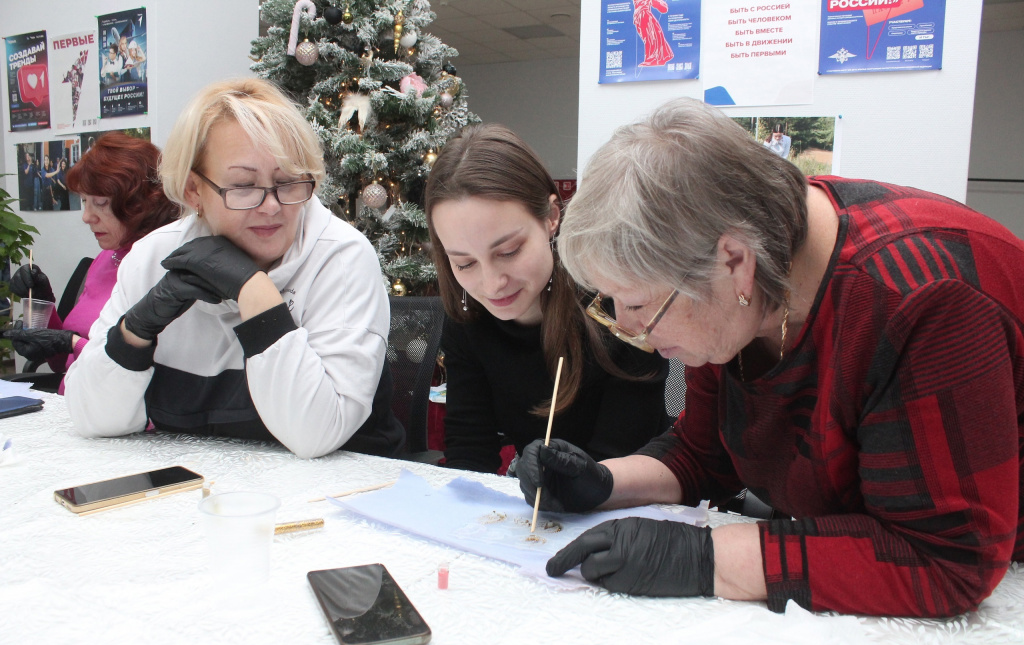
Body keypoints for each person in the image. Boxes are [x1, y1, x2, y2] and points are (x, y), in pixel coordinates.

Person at [517, 97, 1024, 618]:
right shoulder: (740, 289)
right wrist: (603, 483)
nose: (625, 327)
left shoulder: (920, 299)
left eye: (639, 303)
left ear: (735, 262)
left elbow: (946, 560)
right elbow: (704, 454)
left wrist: (708, 559)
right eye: (611, 301)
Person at [64, 78, 404, 460]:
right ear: (194, 191)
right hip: (201, 495)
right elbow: (92, 419)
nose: (272, 206)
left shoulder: (340, 257)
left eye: (288, 181)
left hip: (333, 498)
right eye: (244, 185)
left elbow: (316, 434)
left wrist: (254, 292)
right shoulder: (152, 257)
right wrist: (134, 332)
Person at [425, 123, 671, 475]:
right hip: (546, 505)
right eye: (464, 262)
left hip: (630, 494)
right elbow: (469, 449)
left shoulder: (616, 300)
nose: (492, 284)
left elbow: (620, 460)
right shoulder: (467, 314)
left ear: (552, 217)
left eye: (509, 251)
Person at [4, 133, 178, 394]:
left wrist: (70, 342)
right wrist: (44, 305)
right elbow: (64, 363)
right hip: (76, 407)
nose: (87, 217)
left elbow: (148, 375)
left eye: (101, 203)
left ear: (142, 202)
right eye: (84, 201)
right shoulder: (107, 257)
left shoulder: (163, 266)